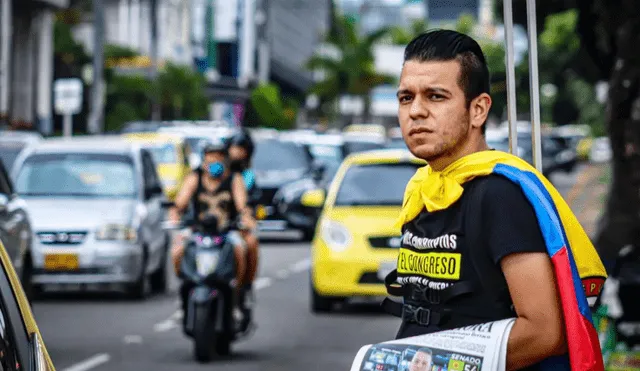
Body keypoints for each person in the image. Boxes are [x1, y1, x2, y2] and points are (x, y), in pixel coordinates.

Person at [382, 30, 607, 371]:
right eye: (405, 97)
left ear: (478, 109)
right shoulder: (423, 190)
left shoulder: (498, 195)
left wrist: (441, 365)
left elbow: (545, 332)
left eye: (436, 96)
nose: (416, 111)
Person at [168, 140, 257, 329]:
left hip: (226, 232)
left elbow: (243, 207)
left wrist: (246, 218)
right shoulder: (195, 178)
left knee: (241, 249)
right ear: (203, 160)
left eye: (218, 157)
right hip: (198, 232)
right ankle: (185, 293)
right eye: (210, 158)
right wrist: (175, 217)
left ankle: (238, 295)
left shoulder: (234, 179)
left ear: (225, 159)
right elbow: (179, 205)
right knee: (177, 251)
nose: (214, 162)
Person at [225, 129, 260, 330]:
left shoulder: (247, 177)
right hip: (215, 229)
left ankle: (244, 287)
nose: (238, 152)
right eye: (235, 148)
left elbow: (251, 204)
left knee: (249, 244)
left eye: (242, 149)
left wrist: (248, 217)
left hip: (237, 228)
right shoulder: (218, 174)